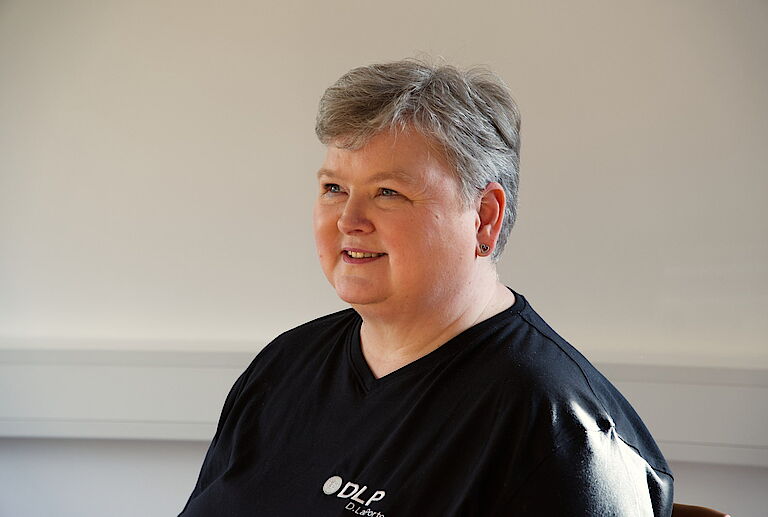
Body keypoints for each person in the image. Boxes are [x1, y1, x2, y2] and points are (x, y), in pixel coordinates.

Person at [179, 59, 674, 516]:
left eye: (387, 192)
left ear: (484, 217)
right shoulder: (283, 365)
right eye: (334, 188)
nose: (349, 219)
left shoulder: (560, 431)